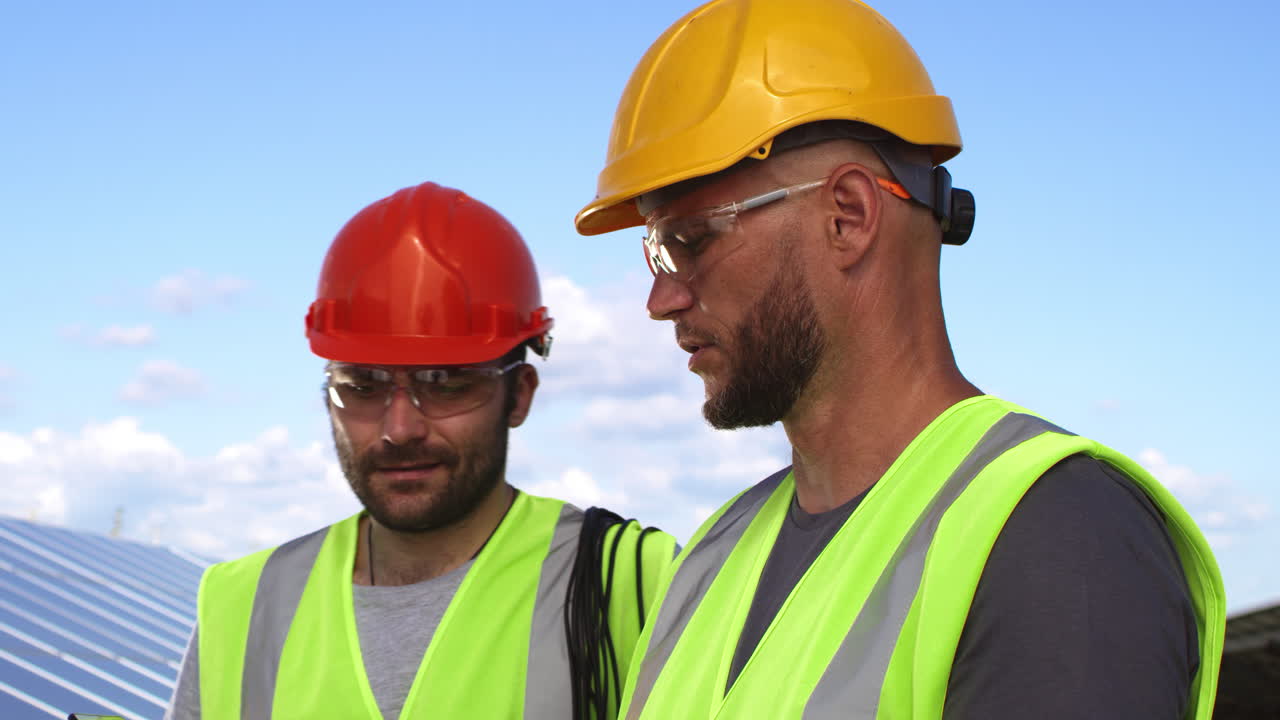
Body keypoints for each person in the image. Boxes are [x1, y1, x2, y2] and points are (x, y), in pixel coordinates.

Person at [574, 0, 1226, 718]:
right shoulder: (708, 561)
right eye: (655, 250)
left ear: (847, 215)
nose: (659, 299)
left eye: (691, 240)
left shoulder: (1056, 536)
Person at [166, 181, 676, 720]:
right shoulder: (241, 608)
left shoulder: (634, 582)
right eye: (363, 384)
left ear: (519, 394)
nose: (400, 428)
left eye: (446, 382)